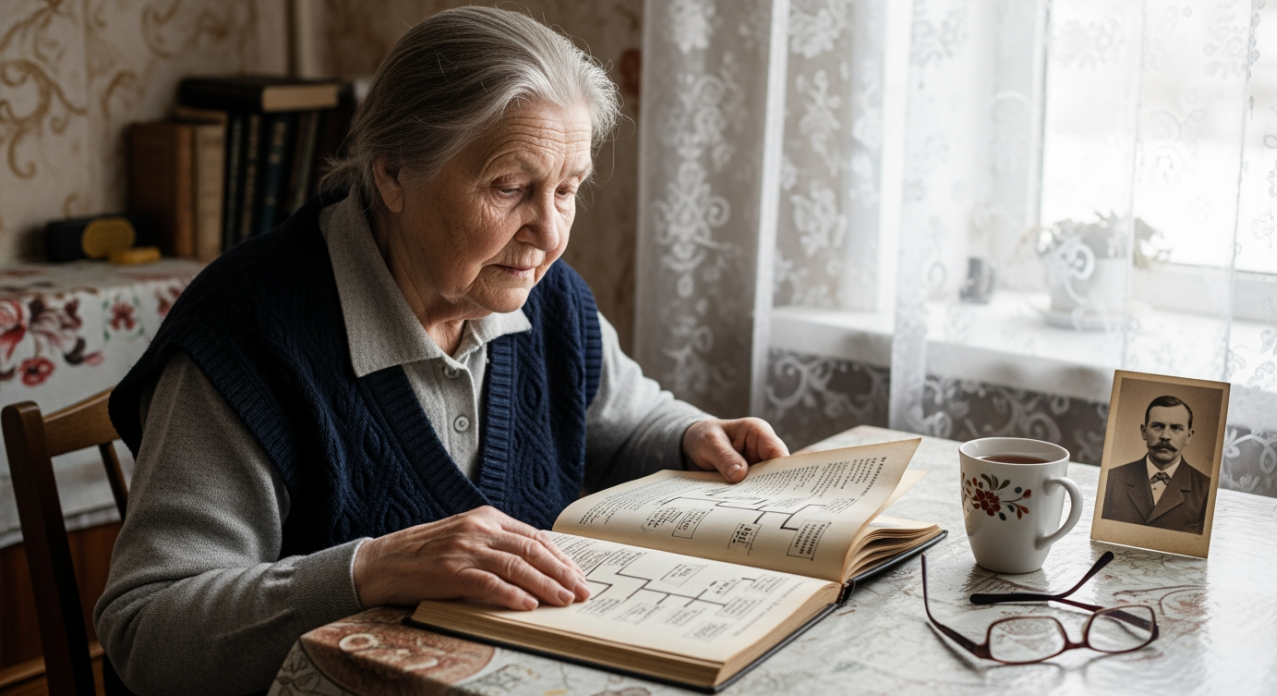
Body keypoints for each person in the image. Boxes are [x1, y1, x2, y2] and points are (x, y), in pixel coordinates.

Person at [93, 8, 789, 695]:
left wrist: (694, 435)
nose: (548, 233)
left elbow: (628, 421)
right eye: (510, 187)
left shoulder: (541, 296)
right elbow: (146, 632)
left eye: (568, 190)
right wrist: (370, 570)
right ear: (393, 172)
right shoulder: (247, 336)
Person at [1100, 395, 1211, 534]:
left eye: (1176, 428)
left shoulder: (1207, 490)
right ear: (1144, 432)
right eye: (1158, 426)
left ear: (1189, 436)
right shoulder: (1111, 480)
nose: (1165, 436)